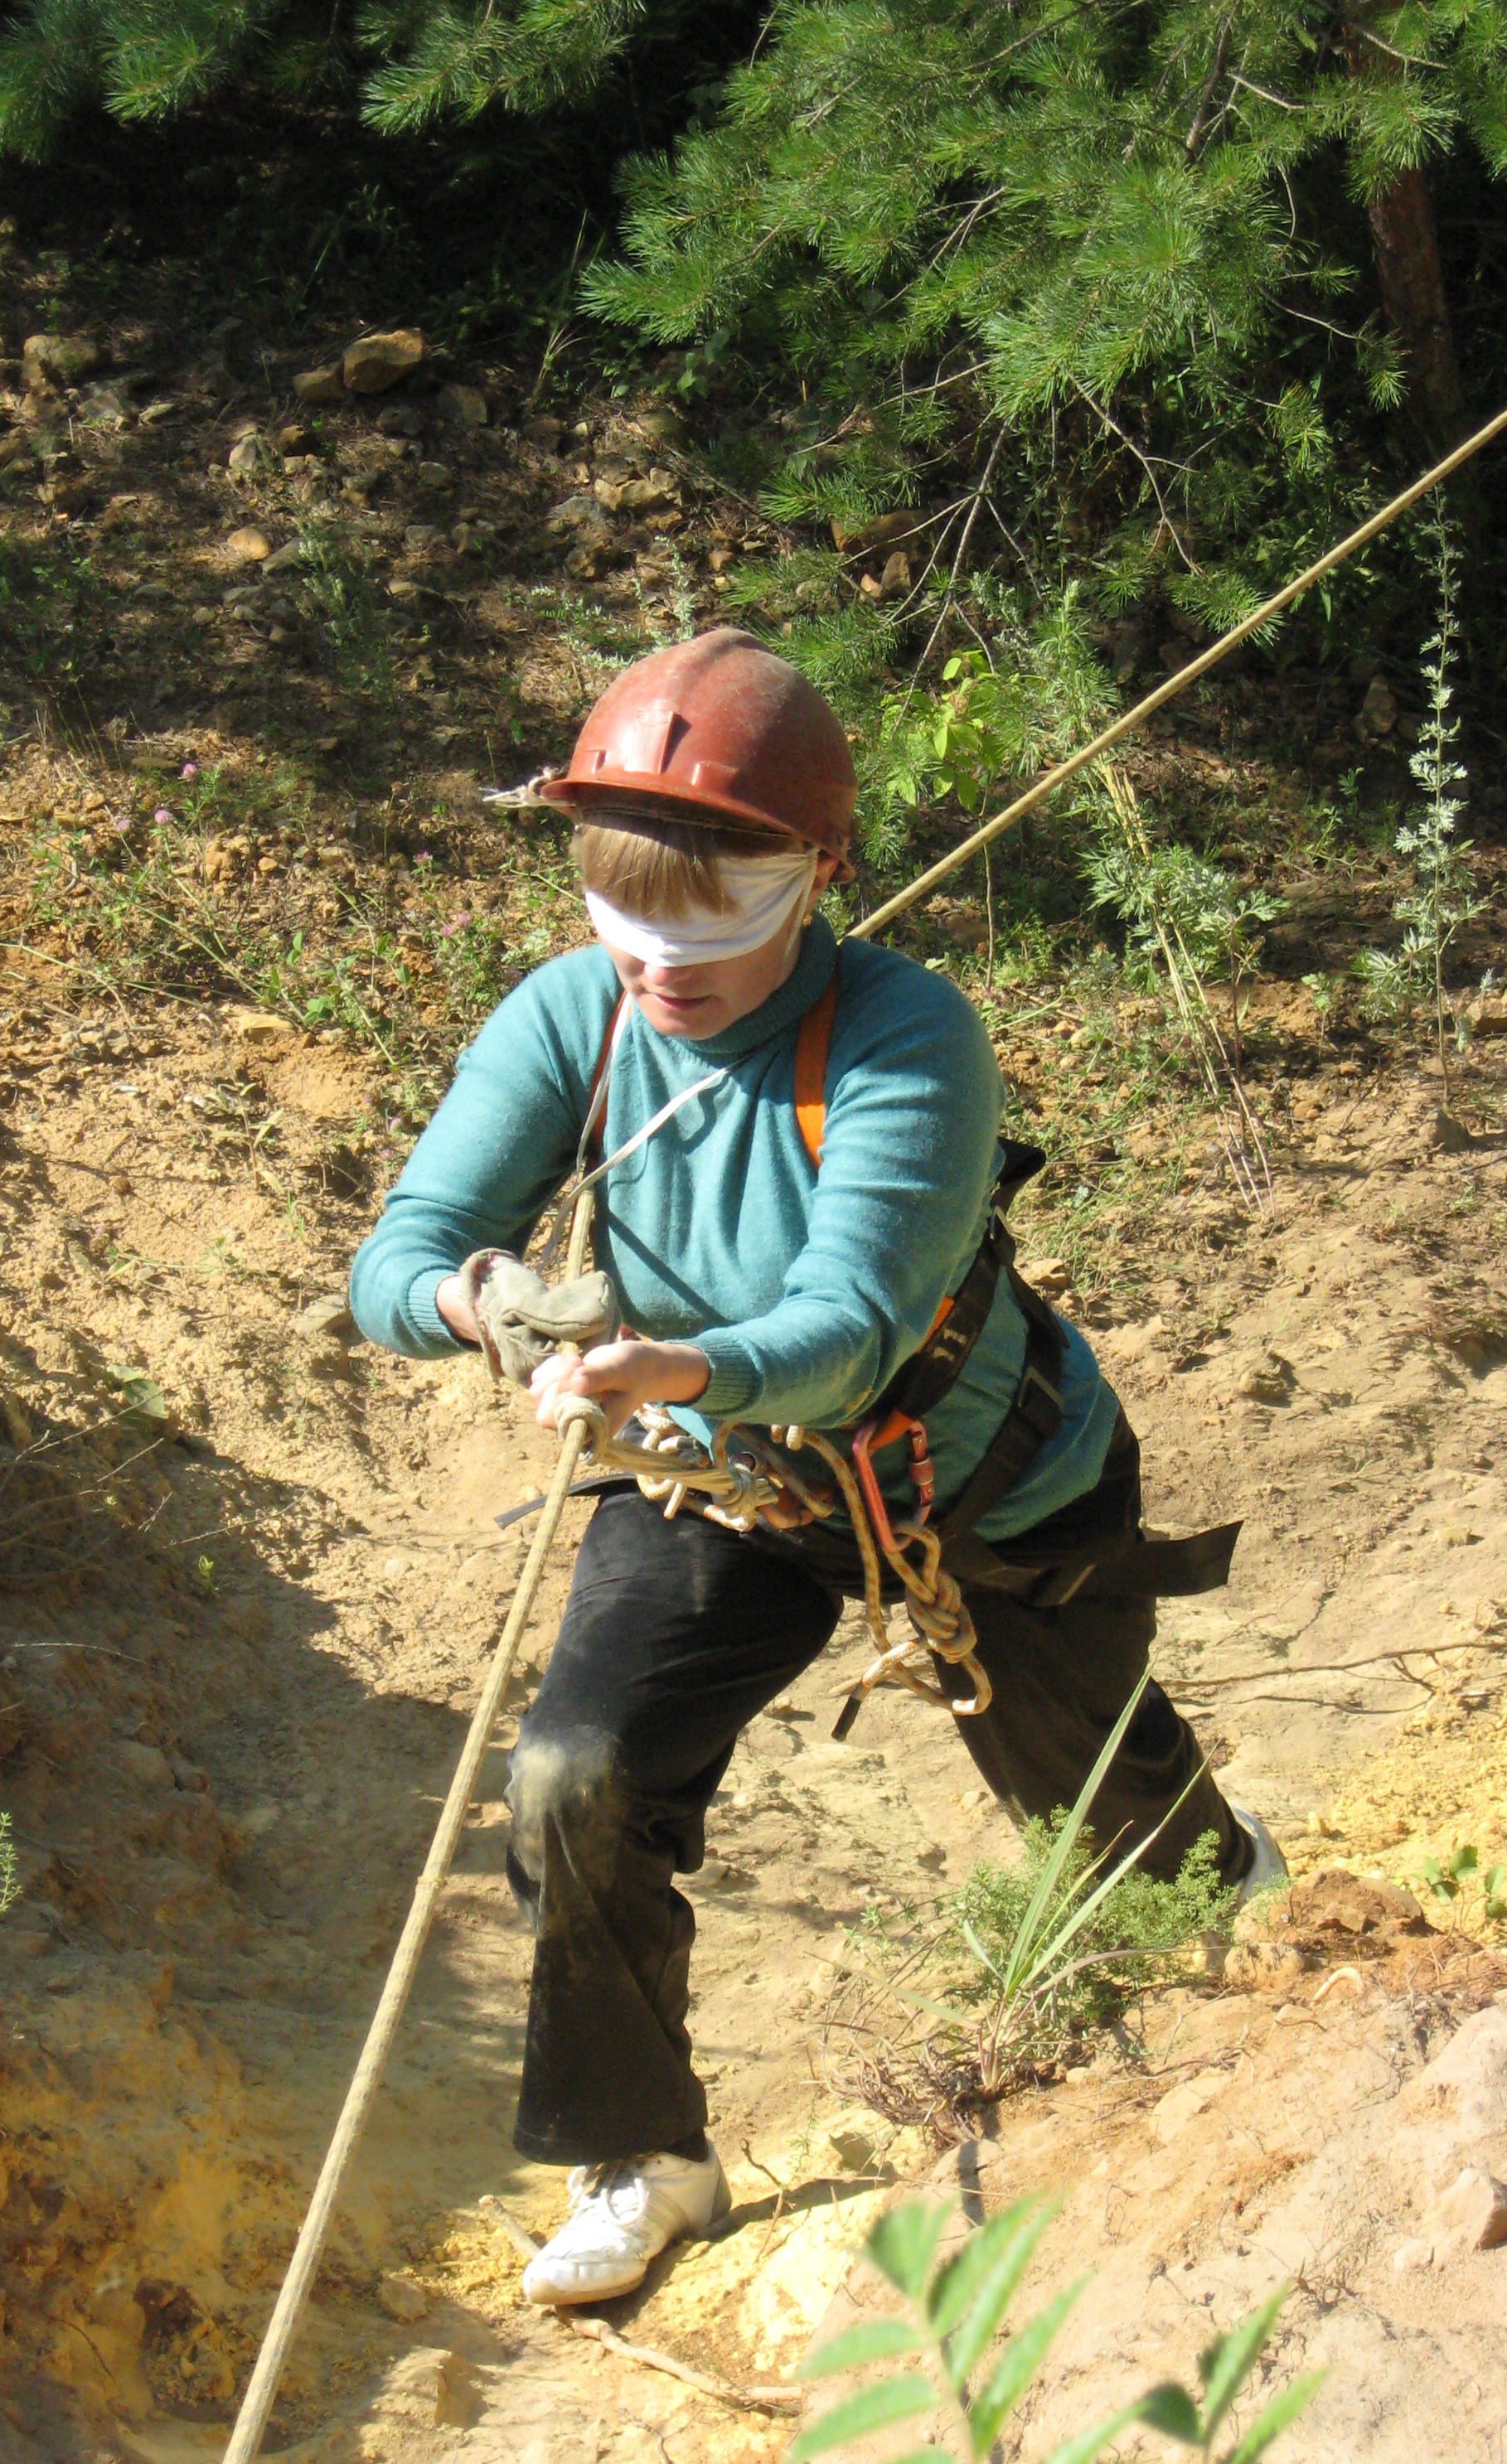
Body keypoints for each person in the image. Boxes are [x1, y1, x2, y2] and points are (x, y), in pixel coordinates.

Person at [349, 629, 1282, 2308]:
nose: (664, 967)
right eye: (625, 919)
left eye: (715, 918)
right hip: (730, 1489)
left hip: (979, 1486)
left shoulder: (908, 1036)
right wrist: (476, 1296)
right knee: (573, 1782)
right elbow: (395, 1257)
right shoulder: (581, 1016)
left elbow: (851, 1320)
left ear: (818, 875)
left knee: (1115, 1823)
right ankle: (645, 2157)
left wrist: (681, 1361)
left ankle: (1248, 1945)